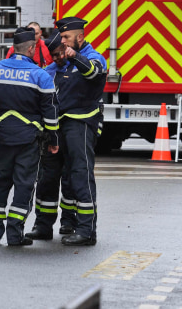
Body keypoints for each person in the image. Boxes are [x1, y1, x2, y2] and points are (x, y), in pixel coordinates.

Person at [0, 27, 59, 246]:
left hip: (2, 138)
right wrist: (53, 140)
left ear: (13, 48)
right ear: (31, 49)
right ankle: (14, 234)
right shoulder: (40, 76)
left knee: (0, 183)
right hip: (29, 140)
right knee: (24, 186)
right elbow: (50, 114)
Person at [52, 16, 107, 246]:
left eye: (66, 37)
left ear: (80, 37)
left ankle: (87, 230)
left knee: (82, 175)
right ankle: (70, 222)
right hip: (63, 124)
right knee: (68, 175)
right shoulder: (65, 60)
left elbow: (93, 72)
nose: (62, 41)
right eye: (62, 37)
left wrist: (76, 58)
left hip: (81, 125)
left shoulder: (94, 58)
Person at [25, 29, 77, 241]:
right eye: (53, 55)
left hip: (72, 132)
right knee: (47, 180)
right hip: (51, 134)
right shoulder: (47, 72)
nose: (57, 58)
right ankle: (43, 225)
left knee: (71, 179)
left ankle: (68, 221)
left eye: (59, 53)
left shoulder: (79, 69)